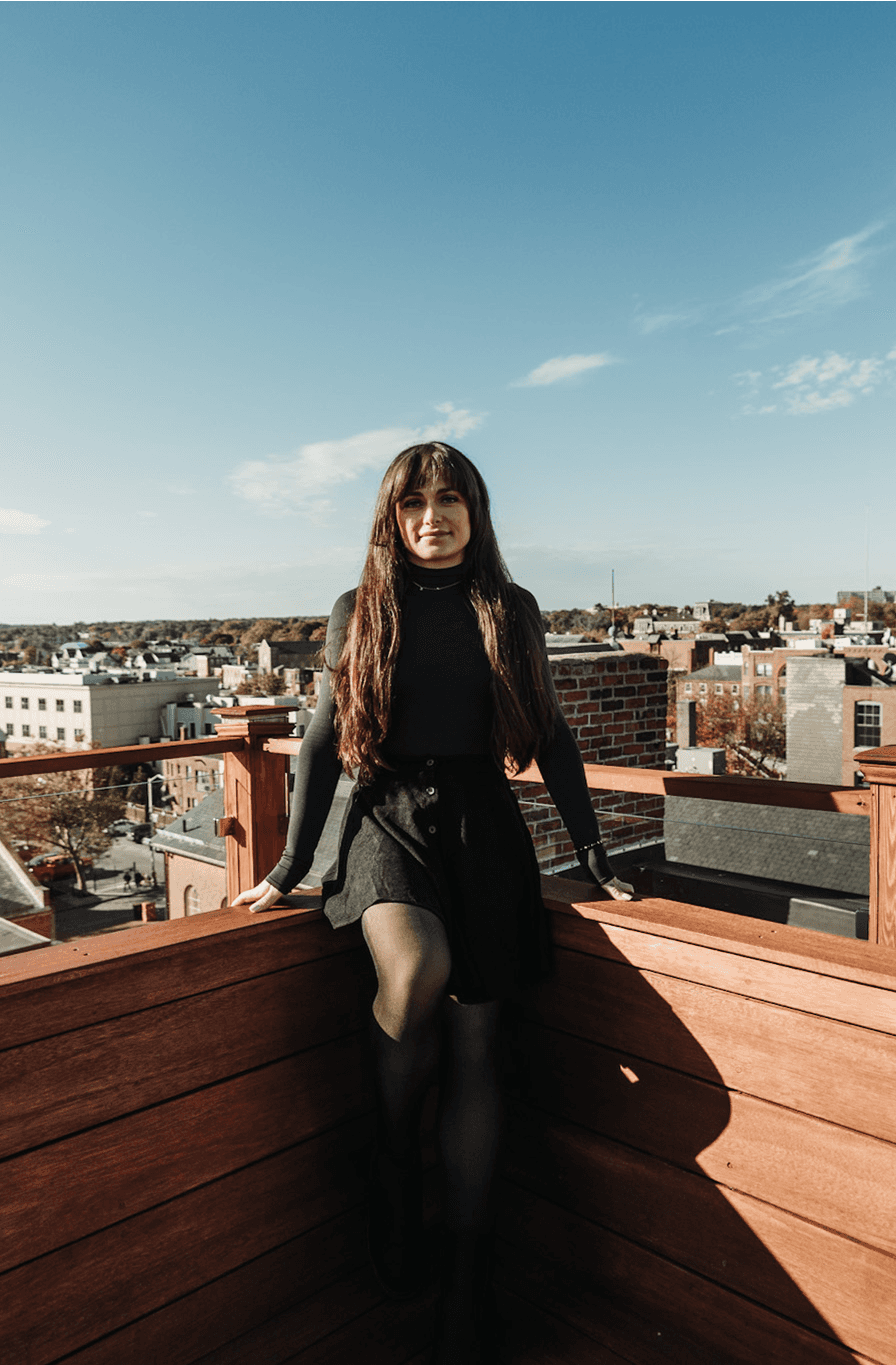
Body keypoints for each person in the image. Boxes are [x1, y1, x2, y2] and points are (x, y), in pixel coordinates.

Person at [234, 442, 633, 1363]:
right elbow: (322, 748)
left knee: (476, 1044)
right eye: (414, 504)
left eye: (450, 500)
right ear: (392, 519)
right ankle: (389, 1160)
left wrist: (594, 850)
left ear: (475, 510)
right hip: (385, 821)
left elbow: (557, 736)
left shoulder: (512, 610)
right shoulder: (358, 612)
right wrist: (290, 868)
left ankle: (464, 1273)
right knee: (418, 966)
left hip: (485, 826)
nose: (432, 518)